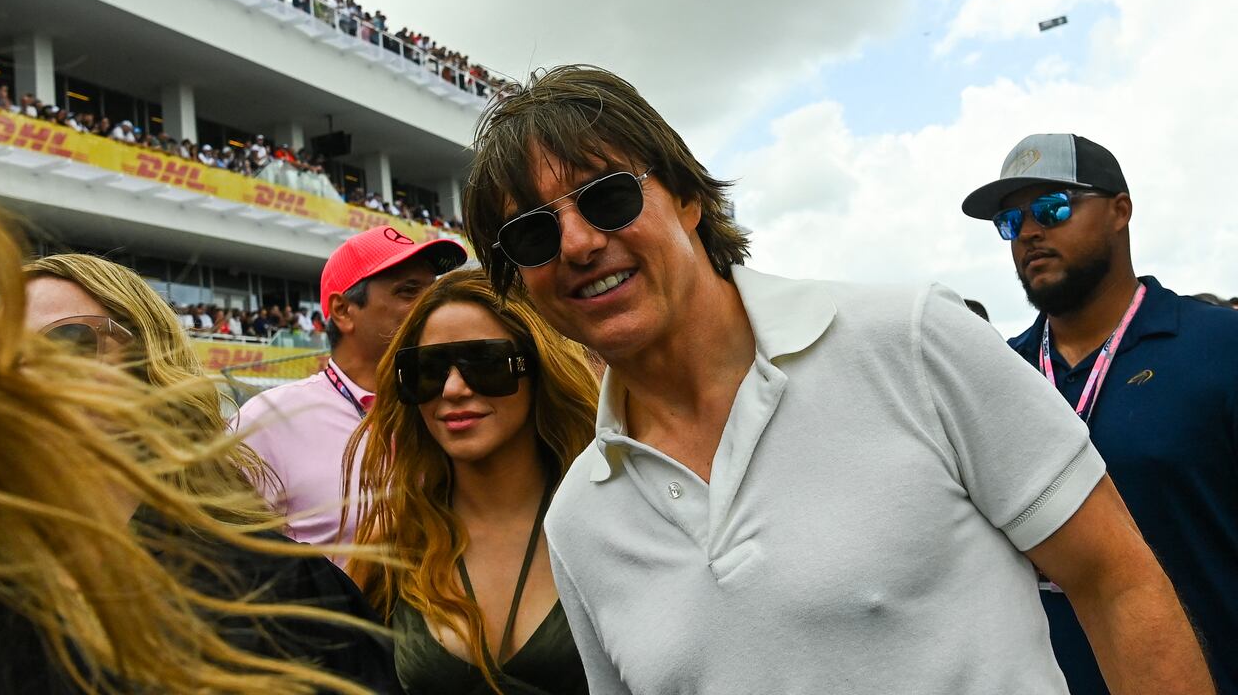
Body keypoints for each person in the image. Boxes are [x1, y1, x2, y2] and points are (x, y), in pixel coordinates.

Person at [459, 65, 1214, 694]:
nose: (580, 243)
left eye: (609, 197)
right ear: (518, 281)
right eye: (533, 233)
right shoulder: (580, 523)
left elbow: (1118, 584)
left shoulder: (912, 342)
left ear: (688, 198)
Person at [0, 190, 400, 694]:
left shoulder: (282, 587)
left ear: (149, 365)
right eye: (0, 360)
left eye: (67, 342)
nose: (27, 376)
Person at [962, 133, 1238, 694]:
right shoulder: (994, 376)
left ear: (1120, 211)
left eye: (1053, 207)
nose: (1031, 232)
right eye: (1011, 223)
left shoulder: (1219, 347)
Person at [346, 269, 597, 693]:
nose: (453, 388)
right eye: (427, 370)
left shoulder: (610, 521)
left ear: (536, 369)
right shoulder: (390, 545)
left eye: (484, 363)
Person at [238, 226, 466, 550]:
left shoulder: (455, 400)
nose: (433, 306)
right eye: (409, 291)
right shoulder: (270, 420)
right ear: (344, 311)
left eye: (433, 291)